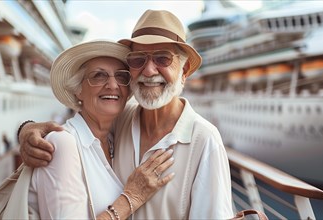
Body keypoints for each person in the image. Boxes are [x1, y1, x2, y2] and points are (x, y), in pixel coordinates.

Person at [18, 10, 234, 219]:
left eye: (162, 58)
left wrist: (27, 129)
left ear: (184, 71)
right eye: (138, 60)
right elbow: (77, 130)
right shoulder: (120, 120)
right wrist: (27, 129)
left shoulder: (204, 140)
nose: (149, 71)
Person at [24, 40, 175, 219]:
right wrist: (131, 198)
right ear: (78, 90)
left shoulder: (114, 138)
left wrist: (24, 128)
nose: (112, 85)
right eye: (98, 76)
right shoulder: (63, 143)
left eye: (121, 76)